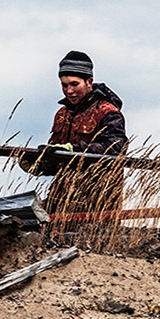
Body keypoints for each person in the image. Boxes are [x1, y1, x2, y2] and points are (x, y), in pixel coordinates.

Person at [40, 51, 127, 220]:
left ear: (89, 82)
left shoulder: (108, 112)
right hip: (61, 200)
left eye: (74, 84)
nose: (69, 91)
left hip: (98, 202)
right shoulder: (61, 114)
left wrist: (73, 150)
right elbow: (56, 160)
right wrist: (40, 164)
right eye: (64, 85)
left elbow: (115, 149)